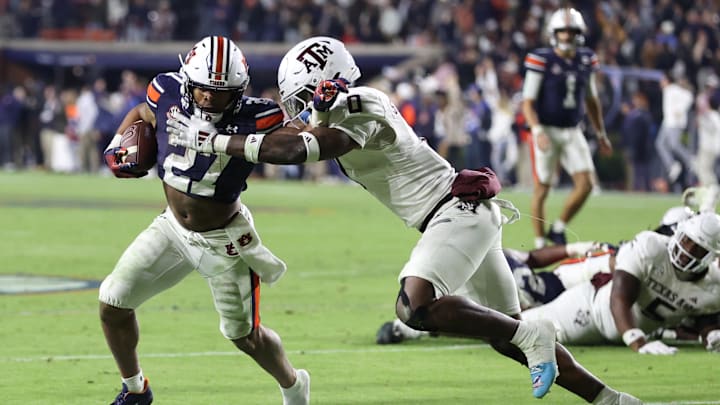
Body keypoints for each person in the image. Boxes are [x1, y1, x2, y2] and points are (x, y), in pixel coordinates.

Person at [167, 36, 640, 404]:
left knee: (415, 307)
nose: (299, 107)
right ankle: (608, 397)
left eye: (303, 96)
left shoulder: (359, 106)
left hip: (455, 215)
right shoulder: (346, 106)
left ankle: (532, 334)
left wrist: (208, 142)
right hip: (463, 216)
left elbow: (300, 148)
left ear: (326, 85)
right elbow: (296, 134)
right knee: (505, 335)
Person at [99, 36, 310, 405]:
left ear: (239, 91)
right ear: (187, 83)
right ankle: (135, 390)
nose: (210, 99)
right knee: (112, 303)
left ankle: (294, 385)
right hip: (172, 228)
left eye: (221, 92)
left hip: (224, 241)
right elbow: (142, 112)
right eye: (203, 91)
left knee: (246, 337)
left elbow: (297, 145)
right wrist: (117, 143)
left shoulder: (257, 115)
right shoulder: (166, 90)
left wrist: (230, 139)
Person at [521, 212, 720, 355]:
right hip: (591, 311)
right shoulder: (651, 247)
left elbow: (703, 316)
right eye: (686, 240)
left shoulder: (712, 287)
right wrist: (637, 341)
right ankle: (491, 319)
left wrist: (711, 334)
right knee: (523, 330)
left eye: (698, 248)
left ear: (711, 256)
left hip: (624, 333)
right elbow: (620, 296)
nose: (687, 250)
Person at [375, 240, 614, 344]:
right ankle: (407, 329)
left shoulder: (497, 254)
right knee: (494, 323)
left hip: (555, 283)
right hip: (551, 307)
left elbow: (531, 257)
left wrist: (576, 248)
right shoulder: (471, 280)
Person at [521, 7, 612, 248]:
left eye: (571, 31)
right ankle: (540, 243)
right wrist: (537, 130)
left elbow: (591, 100)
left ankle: (558, 228)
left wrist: (601, 133)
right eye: (562, 31)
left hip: (573, 129)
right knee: (543, 187)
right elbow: (527, 102)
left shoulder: (585, 59)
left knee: (587, 184)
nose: (567, 36)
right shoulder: (542, 59)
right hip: (547, 130)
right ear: (554, 33)